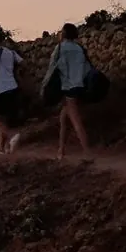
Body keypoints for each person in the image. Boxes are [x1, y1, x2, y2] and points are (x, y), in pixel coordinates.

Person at [46, 23, 92, 158]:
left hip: (68, 87)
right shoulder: (79, 49)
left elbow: (52, 68)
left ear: (64, 33)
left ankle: (88, 152)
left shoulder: (60, 48)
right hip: (80, 85)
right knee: (63, 119)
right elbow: (87, 68)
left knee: (75, 120)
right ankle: (61, 151)